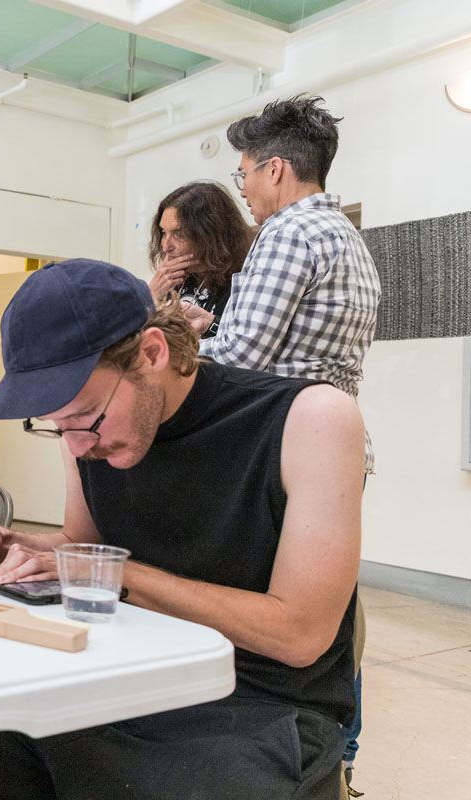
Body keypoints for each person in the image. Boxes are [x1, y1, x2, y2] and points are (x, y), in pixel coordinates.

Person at [0, 259, 362, 800]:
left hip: (251, 704)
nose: (76, 446)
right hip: (113, 674)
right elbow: (80, 546)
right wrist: (10, 544)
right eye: (56, 427)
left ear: (152, 352)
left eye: (86, 418)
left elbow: (301, 634)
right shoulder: (85, 433)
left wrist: (120, 577)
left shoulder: (309, 421)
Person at [187, 94, 380, 791]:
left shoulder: (288, 234)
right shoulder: (347, 237)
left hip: (281, 452)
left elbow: (243, 354)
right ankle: (338, 753)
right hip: (338, 449)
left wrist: (185, 333)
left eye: (243, 174)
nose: (241, 189)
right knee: (332, 614)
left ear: (275, 170)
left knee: (272, 623)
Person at [147, 181, 254, 338]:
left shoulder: (245, 278)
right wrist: (151, 295)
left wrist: (211, 323)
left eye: (179, 234)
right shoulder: (172, 279)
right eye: (164, 232)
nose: (166, 246)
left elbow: (242, 345)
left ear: (209, 234)